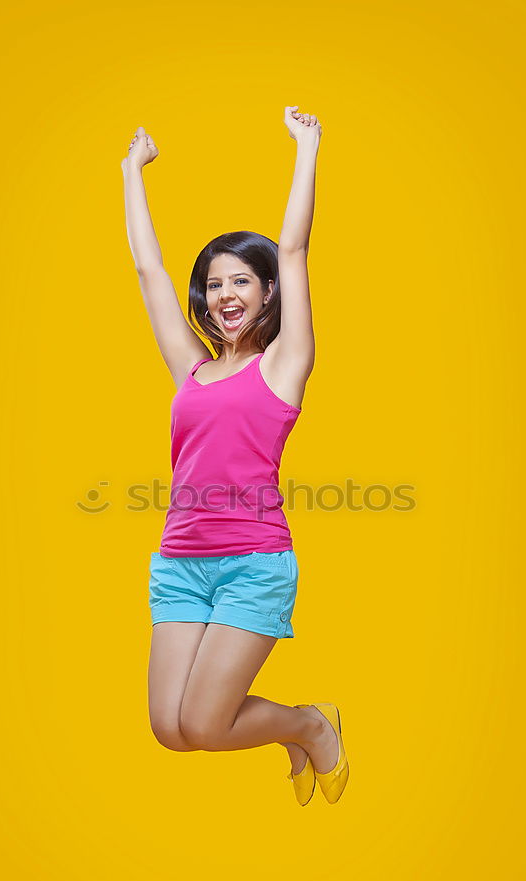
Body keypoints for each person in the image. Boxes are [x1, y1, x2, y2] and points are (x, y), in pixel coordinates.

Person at [121, 106, 349, 805]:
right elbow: (148, 270)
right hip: (180, 561)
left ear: (266, 294)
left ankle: (309, 723)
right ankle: (296, 726)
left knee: (205, 721)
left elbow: (293, 250)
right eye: (215, 283)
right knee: (170, 728)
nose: (225, 294)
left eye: (240, 282)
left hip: (253, 561)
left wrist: (306, 148)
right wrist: (131, 170)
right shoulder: (190, 369)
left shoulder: (283, 365)